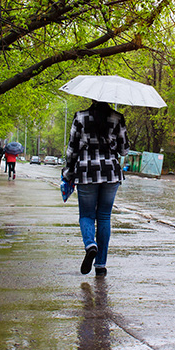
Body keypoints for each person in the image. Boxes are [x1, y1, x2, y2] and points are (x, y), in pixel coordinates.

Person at [62, 100, 129, 276]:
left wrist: (68, 173)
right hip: (110, 172)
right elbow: (124, 150)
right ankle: (100, 265)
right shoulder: (117, 118)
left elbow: (72, 149)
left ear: (92, 99)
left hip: (86, 171)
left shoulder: (80, 117)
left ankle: (90, 244)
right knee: (104, 217)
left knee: (86, 215)